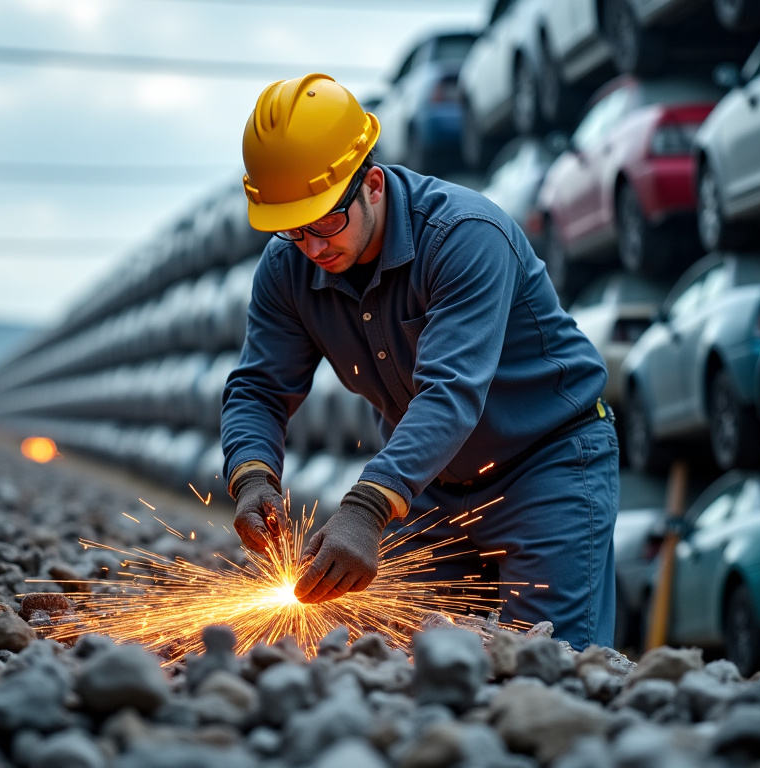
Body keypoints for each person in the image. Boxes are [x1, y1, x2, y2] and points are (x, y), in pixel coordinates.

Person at [221, 73, 619, 648]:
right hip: (429, 484)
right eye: (293, 229)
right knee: (420, 661)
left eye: (327, 220)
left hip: (547, 466)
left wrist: (365, 508)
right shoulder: (287, 268)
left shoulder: (464, 236)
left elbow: (450, 392)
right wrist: (252, 475)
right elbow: (258, 388)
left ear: (373, 185)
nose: (313, 246)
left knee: (551, 662)